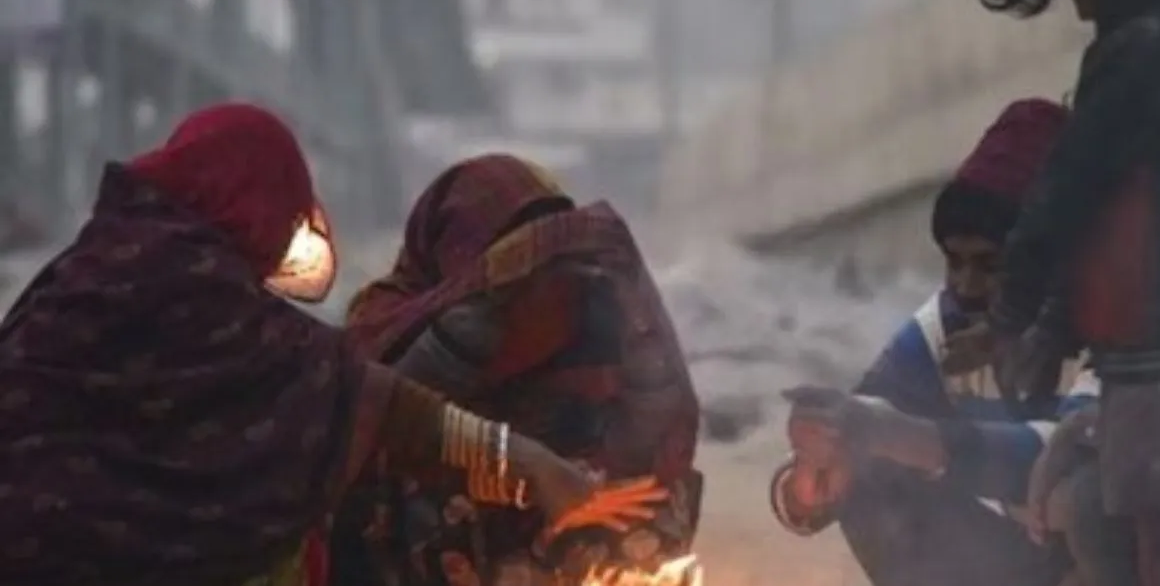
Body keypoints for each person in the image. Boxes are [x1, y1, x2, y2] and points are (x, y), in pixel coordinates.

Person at [0, 104, 663, 586]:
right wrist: (531, 468)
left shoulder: (87, 267)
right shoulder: (207, 292)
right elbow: (376, 406)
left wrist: (533, 472)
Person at [942, 0, 1160, 584]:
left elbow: (1065, 205)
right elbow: (1111, 223)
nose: (1076, 5)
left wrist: (1011, 321)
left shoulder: (1142, 51)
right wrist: (1047, 326)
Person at [769, 98, 1117, 586]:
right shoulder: (946, 324)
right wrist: (812, 478)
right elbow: (869, 415)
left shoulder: (1113, 322)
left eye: (990, 265)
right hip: (1022, 560)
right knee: (869, 469)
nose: (966, 287)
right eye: (955, 263)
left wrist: (896, 434)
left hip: (1109, 558)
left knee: (1084, 505)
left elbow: (1056, 462)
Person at [337, 154, 703, 586]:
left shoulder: (597, 295)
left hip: (571, 500)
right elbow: (391, 434)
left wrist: (590, 478)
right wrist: (521, 474)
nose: (550, 290)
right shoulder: (415, 324)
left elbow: (656, 428)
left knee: (647, 498)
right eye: (527, 272)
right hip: (452, 509)